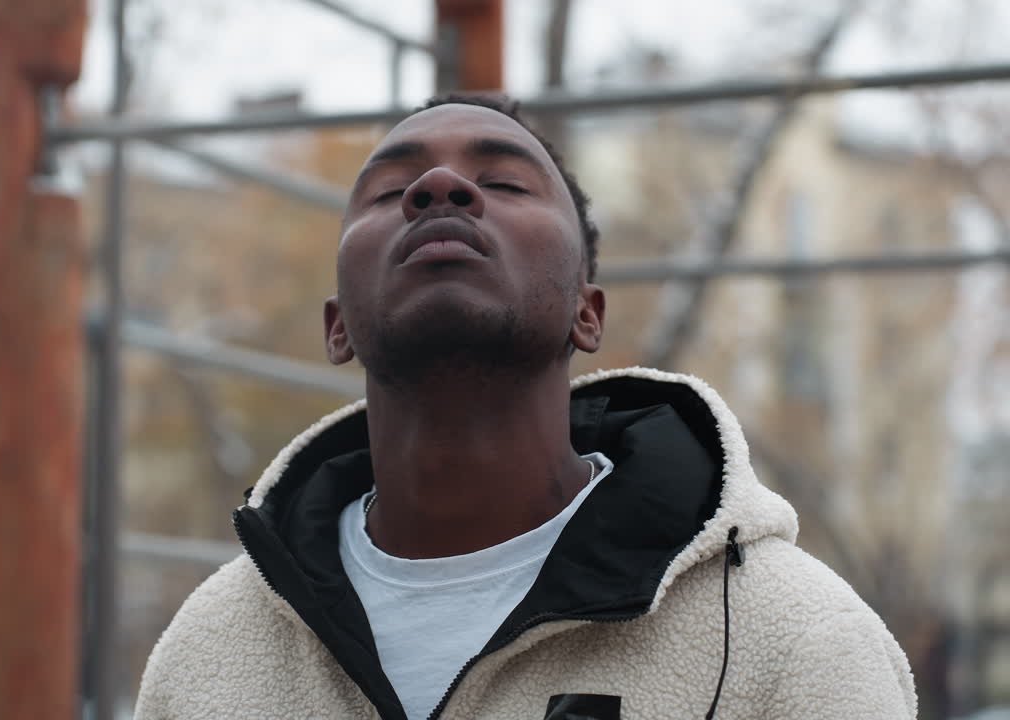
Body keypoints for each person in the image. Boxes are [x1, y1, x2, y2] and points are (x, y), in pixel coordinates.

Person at [134, 94, 916, 719]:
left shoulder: (793, 640)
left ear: (589, 313)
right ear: (338, 326)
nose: (439, 189)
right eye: (389, 190)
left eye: (503, 182)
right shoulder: (210, 649)